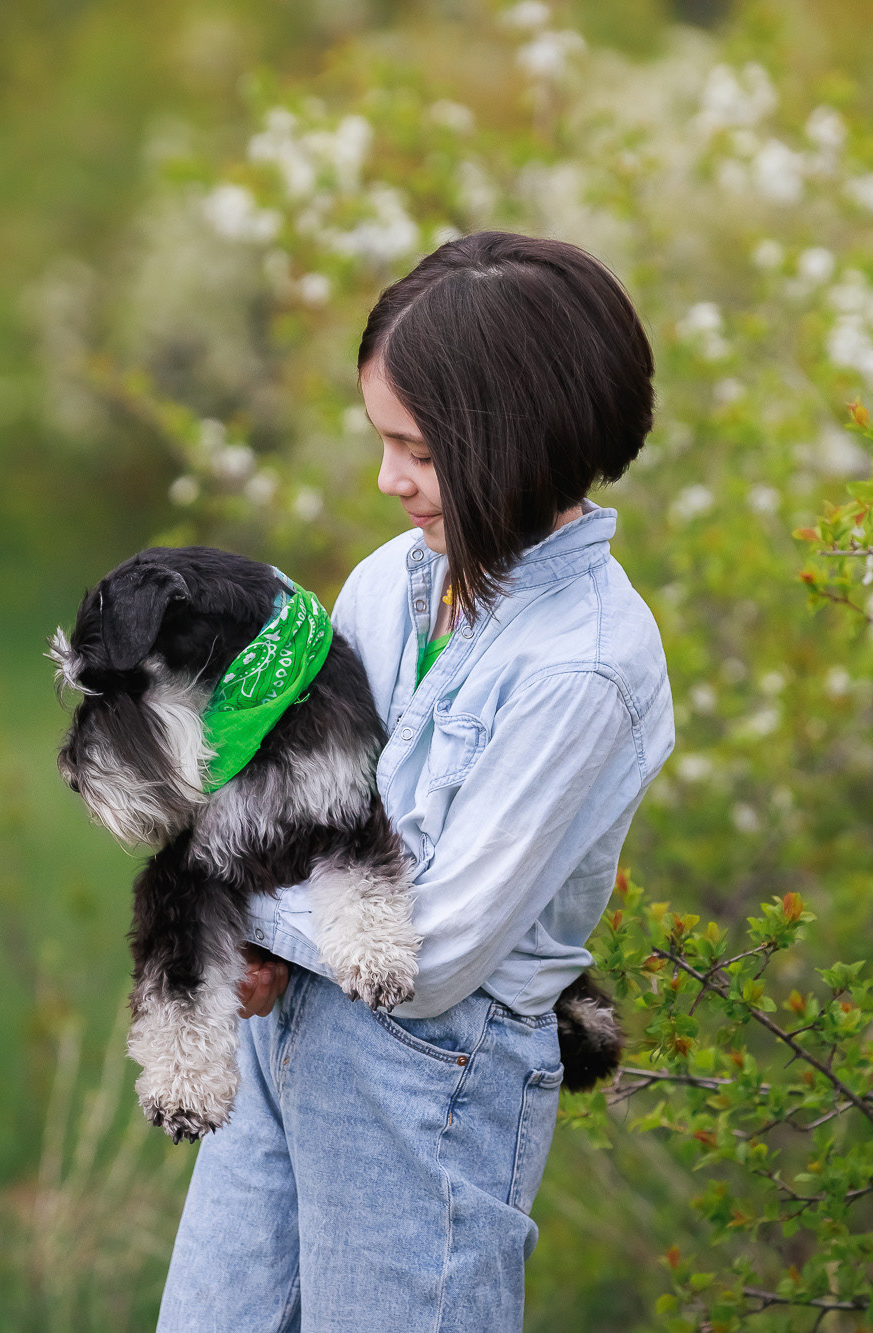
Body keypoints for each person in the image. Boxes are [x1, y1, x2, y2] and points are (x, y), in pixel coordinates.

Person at [157, 231, 675, 1332]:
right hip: (289, 1030)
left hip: (429, 1078)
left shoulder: (581, 664)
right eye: (382, 441)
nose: (389, 480)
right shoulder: (391, 583)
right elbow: (307, 805)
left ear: (519, 444)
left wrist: (227, 894)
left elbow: (428, 952)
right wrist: (251, 949)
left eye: (421, 453)